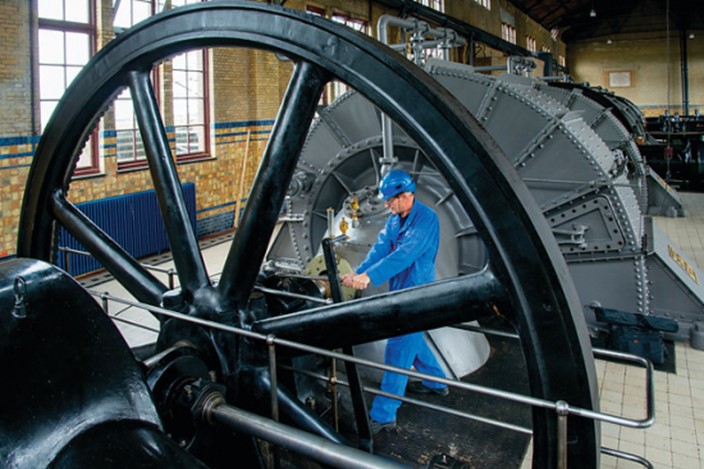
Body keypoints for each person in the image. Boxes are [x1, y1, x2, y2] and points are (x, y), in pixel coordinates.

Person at [341, 169, 449, 435]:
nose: (386, 204)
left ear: (407, 196)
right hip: (399, 289)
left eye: (390, 200)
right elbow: (381, 248)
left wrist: (370, 277)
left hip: (416, 294)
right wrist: (359, 273)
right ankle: (437, 383)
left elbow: (404, 255)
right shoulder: (394, 219)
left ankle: (383, 415)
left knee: (398, 351)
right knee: (413, 342)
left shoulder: (426, 220)